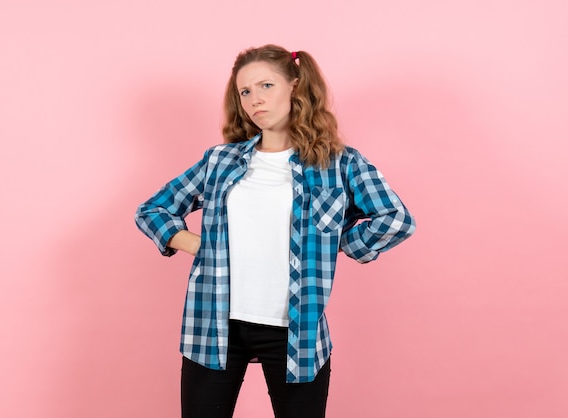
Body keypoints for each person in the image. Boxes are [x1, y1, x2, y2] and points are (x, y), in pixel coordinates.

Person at [135, 44, 416, 418]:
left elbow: (395, 219)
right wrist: (197, 245)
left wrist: (339, 242)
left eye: (266, 86)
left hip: (294, 331)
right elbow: (153, 209)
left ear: (295, 87)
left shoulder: (339, 163)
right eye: (245, 92)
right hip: (213, 324)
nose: (254, 100)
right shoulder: (220, 161)